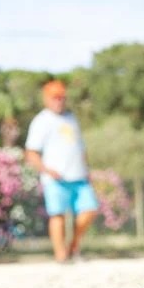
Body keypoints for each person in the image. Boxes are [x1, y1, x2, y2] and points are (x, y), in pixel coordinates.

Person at [24, 80, 100, 262]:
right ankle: (61, 255)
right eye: (55, 97)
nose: (59, 101)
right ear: (46, 99)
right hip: (55, 178)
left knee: (90, 210)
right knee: (57, 215)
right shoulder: (42, 120)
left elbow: (80, 148)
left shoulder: (71, 118)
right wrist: (47, 170)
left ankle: (72, 245)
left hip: (79, 175)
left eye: (62, 97)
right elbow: (31, 152)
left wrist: (86, 169)